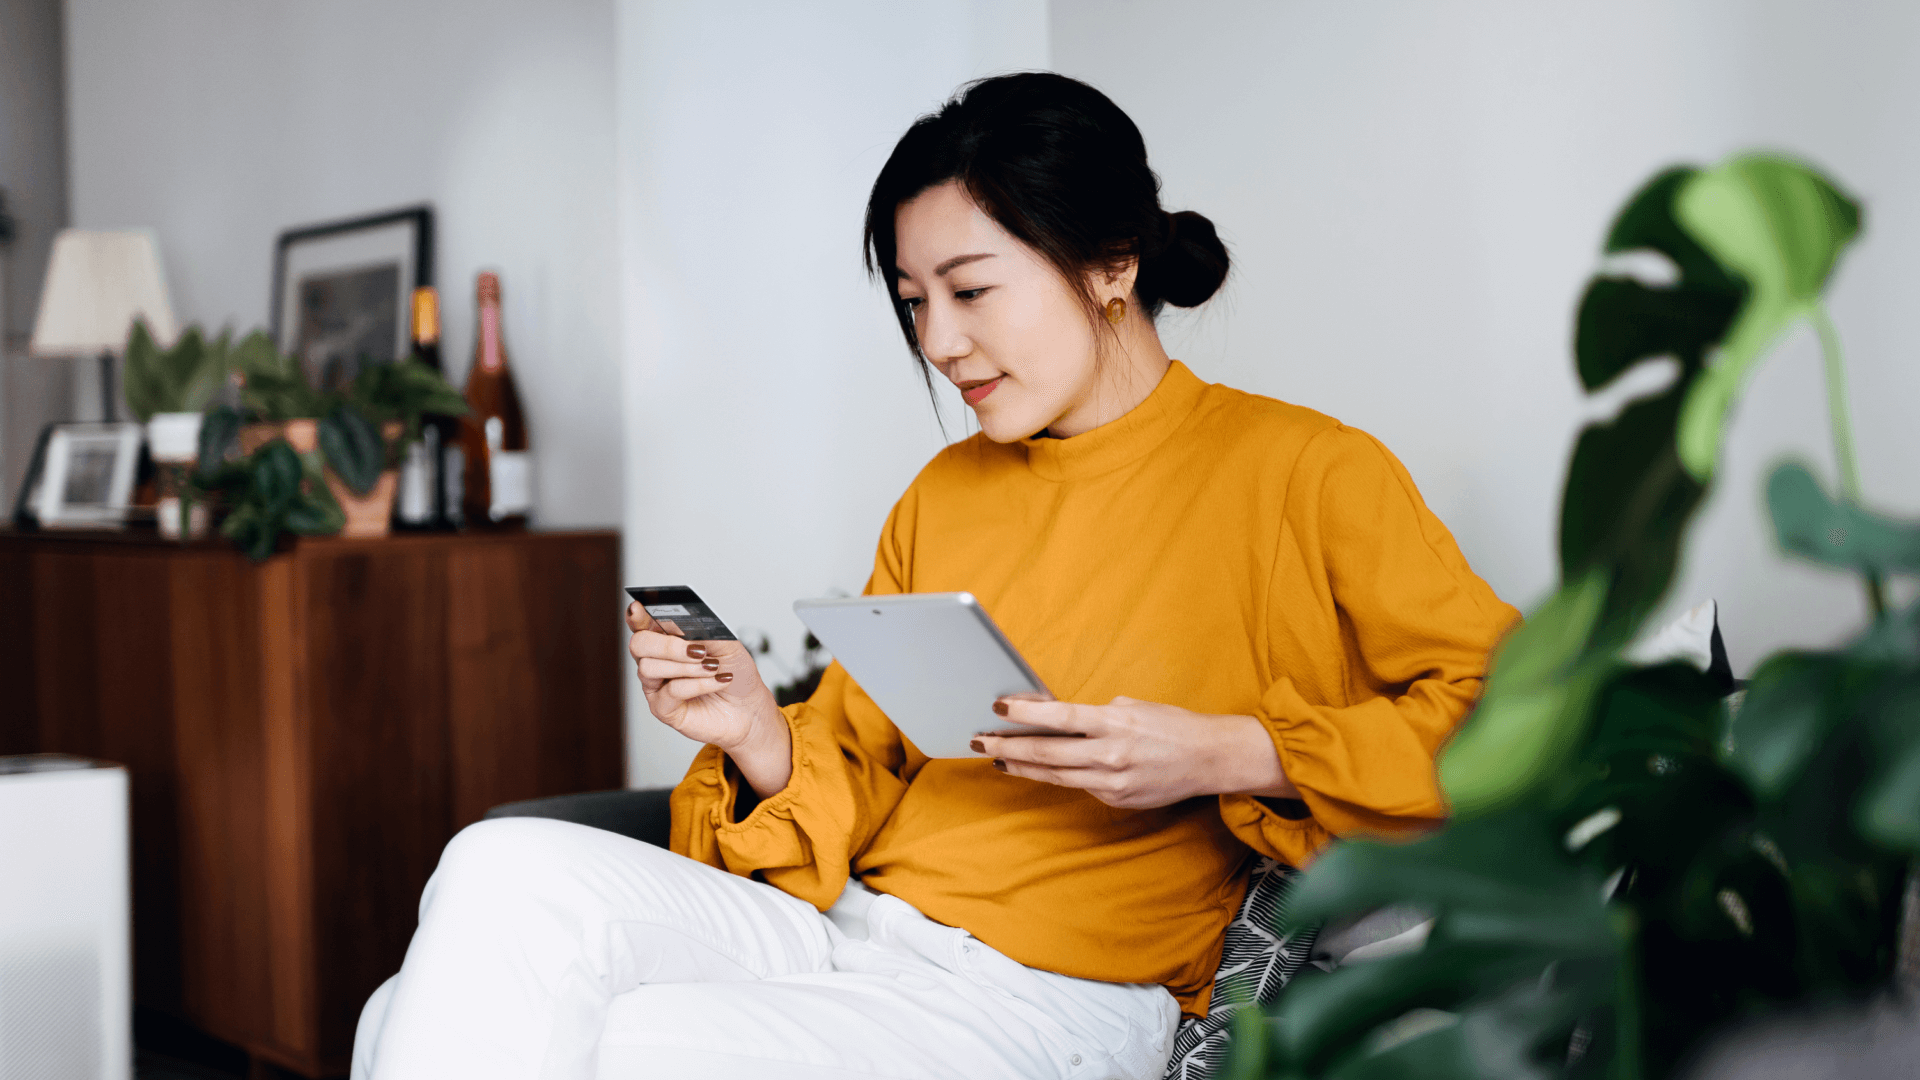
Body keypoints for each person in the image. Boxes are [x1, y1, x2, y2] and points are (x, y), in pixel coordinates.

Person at [350, 72, 1519, 1080]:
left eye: (970, 290)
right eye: (914, 304)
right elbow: (859, 757)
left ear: (1111, 264)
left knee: (629, 1040)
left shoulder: (1309, 472)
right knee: (496, 867)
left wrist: (1230, 751)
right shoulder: (944, 493)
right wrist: (762, 734)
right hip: (857, 930)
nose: (940, 343)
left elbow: (1508, 719)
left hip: (1052, 998)